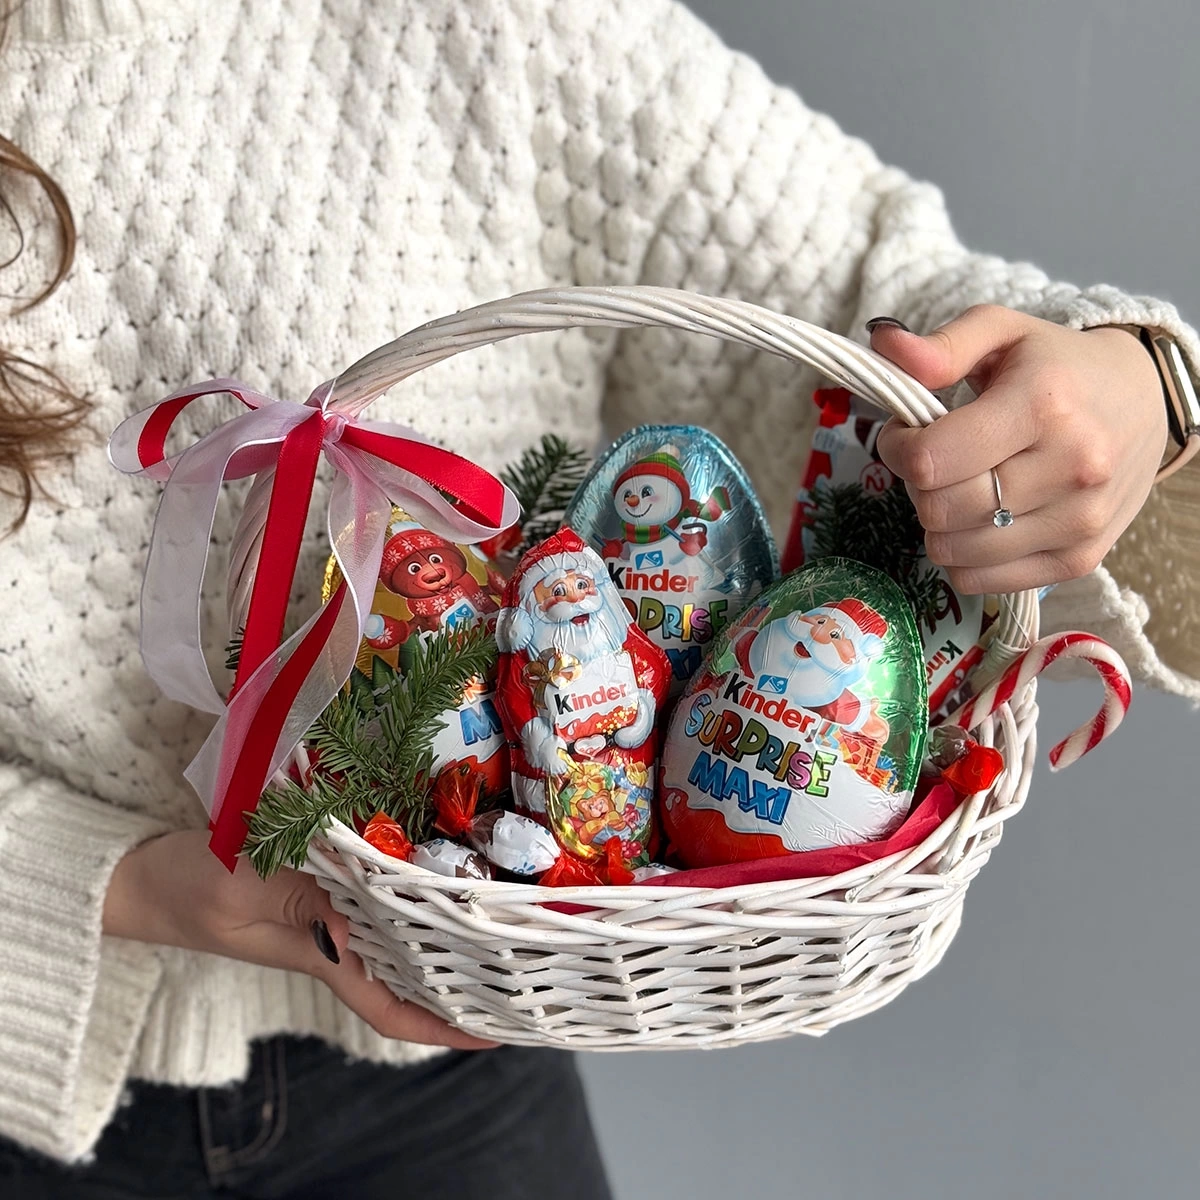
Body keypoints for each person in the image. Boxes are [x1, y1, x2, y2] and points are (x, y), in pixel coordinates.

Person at [1, 0, 1197, 1193]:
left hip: (451, 1041)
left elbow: (870, 292)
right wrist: (128, 879)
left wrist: (1134, 385)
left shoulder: (499, 24)